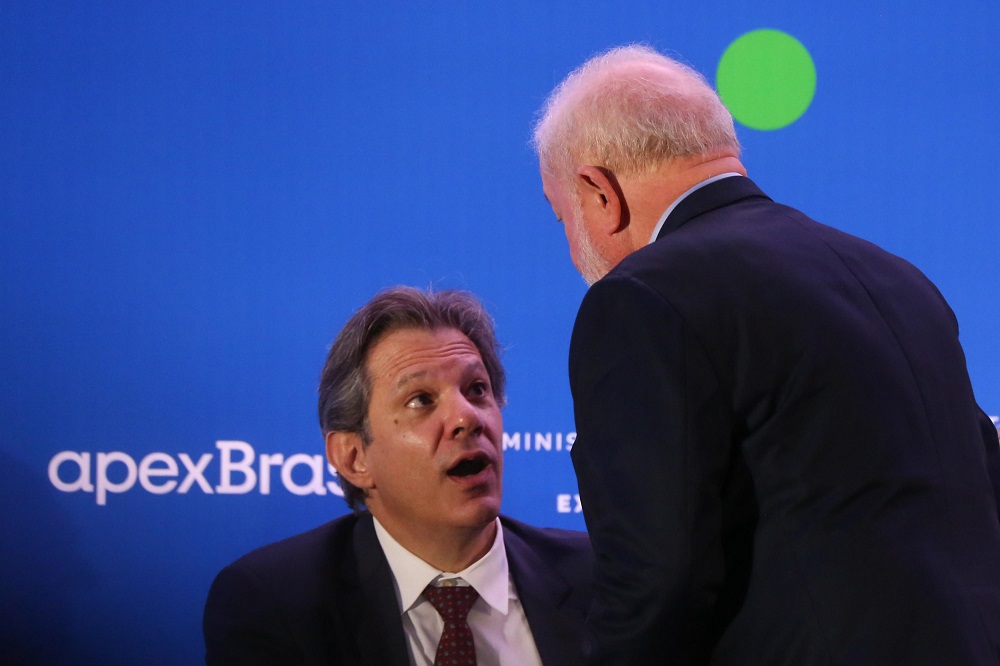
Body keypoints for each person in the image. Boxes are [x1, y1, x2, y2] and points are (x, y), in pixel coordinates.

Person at [533, 44, 1000, 665]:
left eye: (562, 217)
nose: (573, 250)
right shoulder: (900, 280)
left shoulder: (642, 297)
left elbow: (657, 578)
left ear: (599, 192)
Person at [203, 286, 593, 665]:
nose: (467, 417)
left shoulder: (601, 578)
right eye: (421, 399)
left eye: (476, 389)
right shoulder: (275, 605)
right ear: (354, 458)